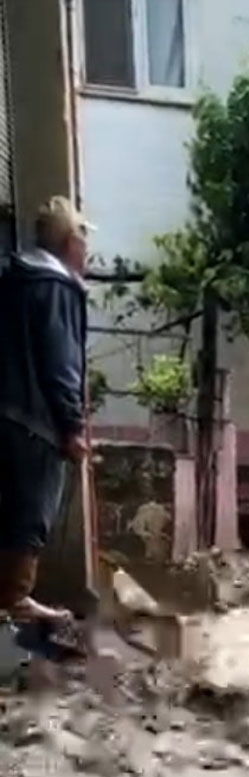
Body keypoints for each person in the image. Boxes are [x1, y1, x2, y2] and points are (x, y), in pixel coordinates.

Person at [0, 196, 93, 622]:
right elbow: (61, 364)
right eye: (84, 238)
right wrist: (71, 427)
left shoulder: (12, 277)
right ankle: (14, 601)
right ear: (70, 241)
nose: (87, 250)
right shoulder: (55, 287)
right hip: (32, 420)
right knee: (31, 510)